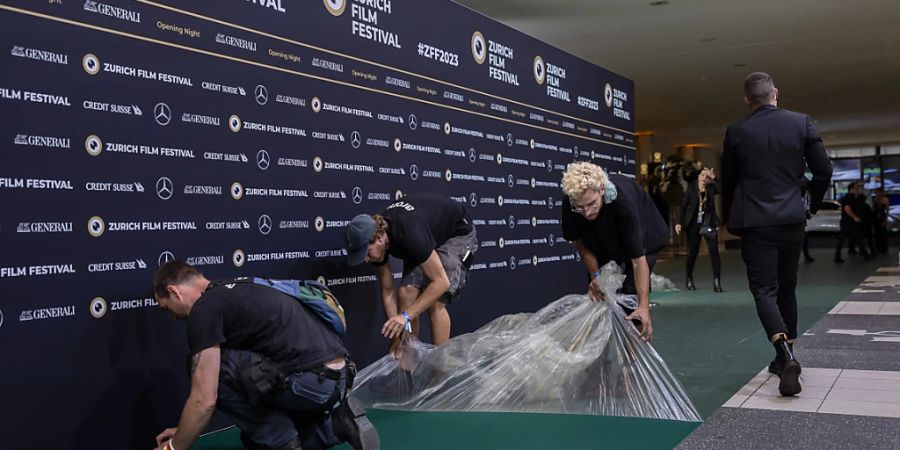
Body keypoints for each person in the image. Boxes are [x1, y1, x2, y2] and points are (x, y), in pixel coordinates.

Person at [151, 261, 378, 450]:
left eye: (166, 308)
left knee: (204, 367)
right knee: (253, 441)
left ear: (174, 292)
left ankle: (283, 443)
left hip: (309, 382)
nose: (172, 317)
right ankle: (336, 424)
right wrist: (183, 431)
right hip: (338, 380)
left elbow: (205, 400)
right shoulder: (238, 289)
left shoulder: (204, 309)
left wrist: (174, 446)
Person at [722, 72, 832, 396]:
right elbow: (824, 169)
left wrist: (731, 217)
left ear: (747, 101)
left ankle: (784, 355)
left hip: (756, 223)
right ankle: (787, 356)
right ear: (775, 93)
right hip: (791, 220)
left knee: (764, 290)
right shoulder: (801, 123)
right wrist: (809, 202)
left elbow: (729, 182)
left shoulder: (737, 132)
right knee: (787, 287)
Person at [344, 192, 477, 352]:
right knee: (405, 293)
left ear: (379, 238)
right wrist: (396, 337)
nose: (365, 259)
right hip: (428, 235)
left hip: (455, 233)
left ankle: (441, 369)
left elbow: (442, 282)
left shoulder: (408, 232)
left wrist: (405, 317)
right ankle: (407, 360)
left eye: (366, 253)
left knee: (436, 301)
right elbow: (387, 291)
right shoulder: (381, 241)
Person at [560, 161, 669, 341]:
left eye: (592, 204)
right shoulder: (572, 203)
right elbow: (580, 242)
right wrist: (595, 275)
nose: (586, 212)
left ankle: (634, 362)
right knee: (600, 295)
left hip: (645, 238)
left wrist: (644, 306)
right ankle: (604, 358)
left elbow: (637, 260)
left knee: (632, 301)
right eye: (580, 207)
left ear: (601, 189)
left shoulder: (623, 204)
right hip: (601, 240)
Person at [675, 165, 723, 292]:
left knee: (714, 253)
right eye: (702, 175)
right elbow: (683, 206)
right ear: (697, 177)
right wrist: (678, 222)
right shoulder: (691, 189)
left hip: (709, 223)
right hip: (694, 225)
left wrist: (715, 177)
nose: (704, 178)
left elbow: (723, 188)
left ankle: (717, 281)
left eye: (706, 177)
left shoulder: (712, 188)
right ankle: (689, 278)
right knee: (693, 253)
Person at [835, 182, 870, 262]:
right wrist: (855, 217)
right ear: (851, 189)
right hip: (849, 222)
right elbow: (847, 209)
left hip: (848, 222)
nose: (858, 189)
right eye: (856, 188)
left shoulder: (854, 197)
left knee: (845, 239)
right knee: (858, 238)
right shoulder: (849, 197)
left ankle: (838, 256)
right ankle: (865, 255)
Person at [874, 189, 890, 254]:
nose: (877, 194)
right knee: (877, 234)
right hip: (876, 218)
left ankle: (884, 248)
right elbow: (874, 209)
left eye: (878, 192)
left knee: (883, 233)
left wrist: (886, 219)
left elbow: (887, 210)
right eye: (876, 192)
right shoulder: (875, 199)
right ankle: (878, 247)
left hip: (882, 217)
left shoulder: (886, 199)